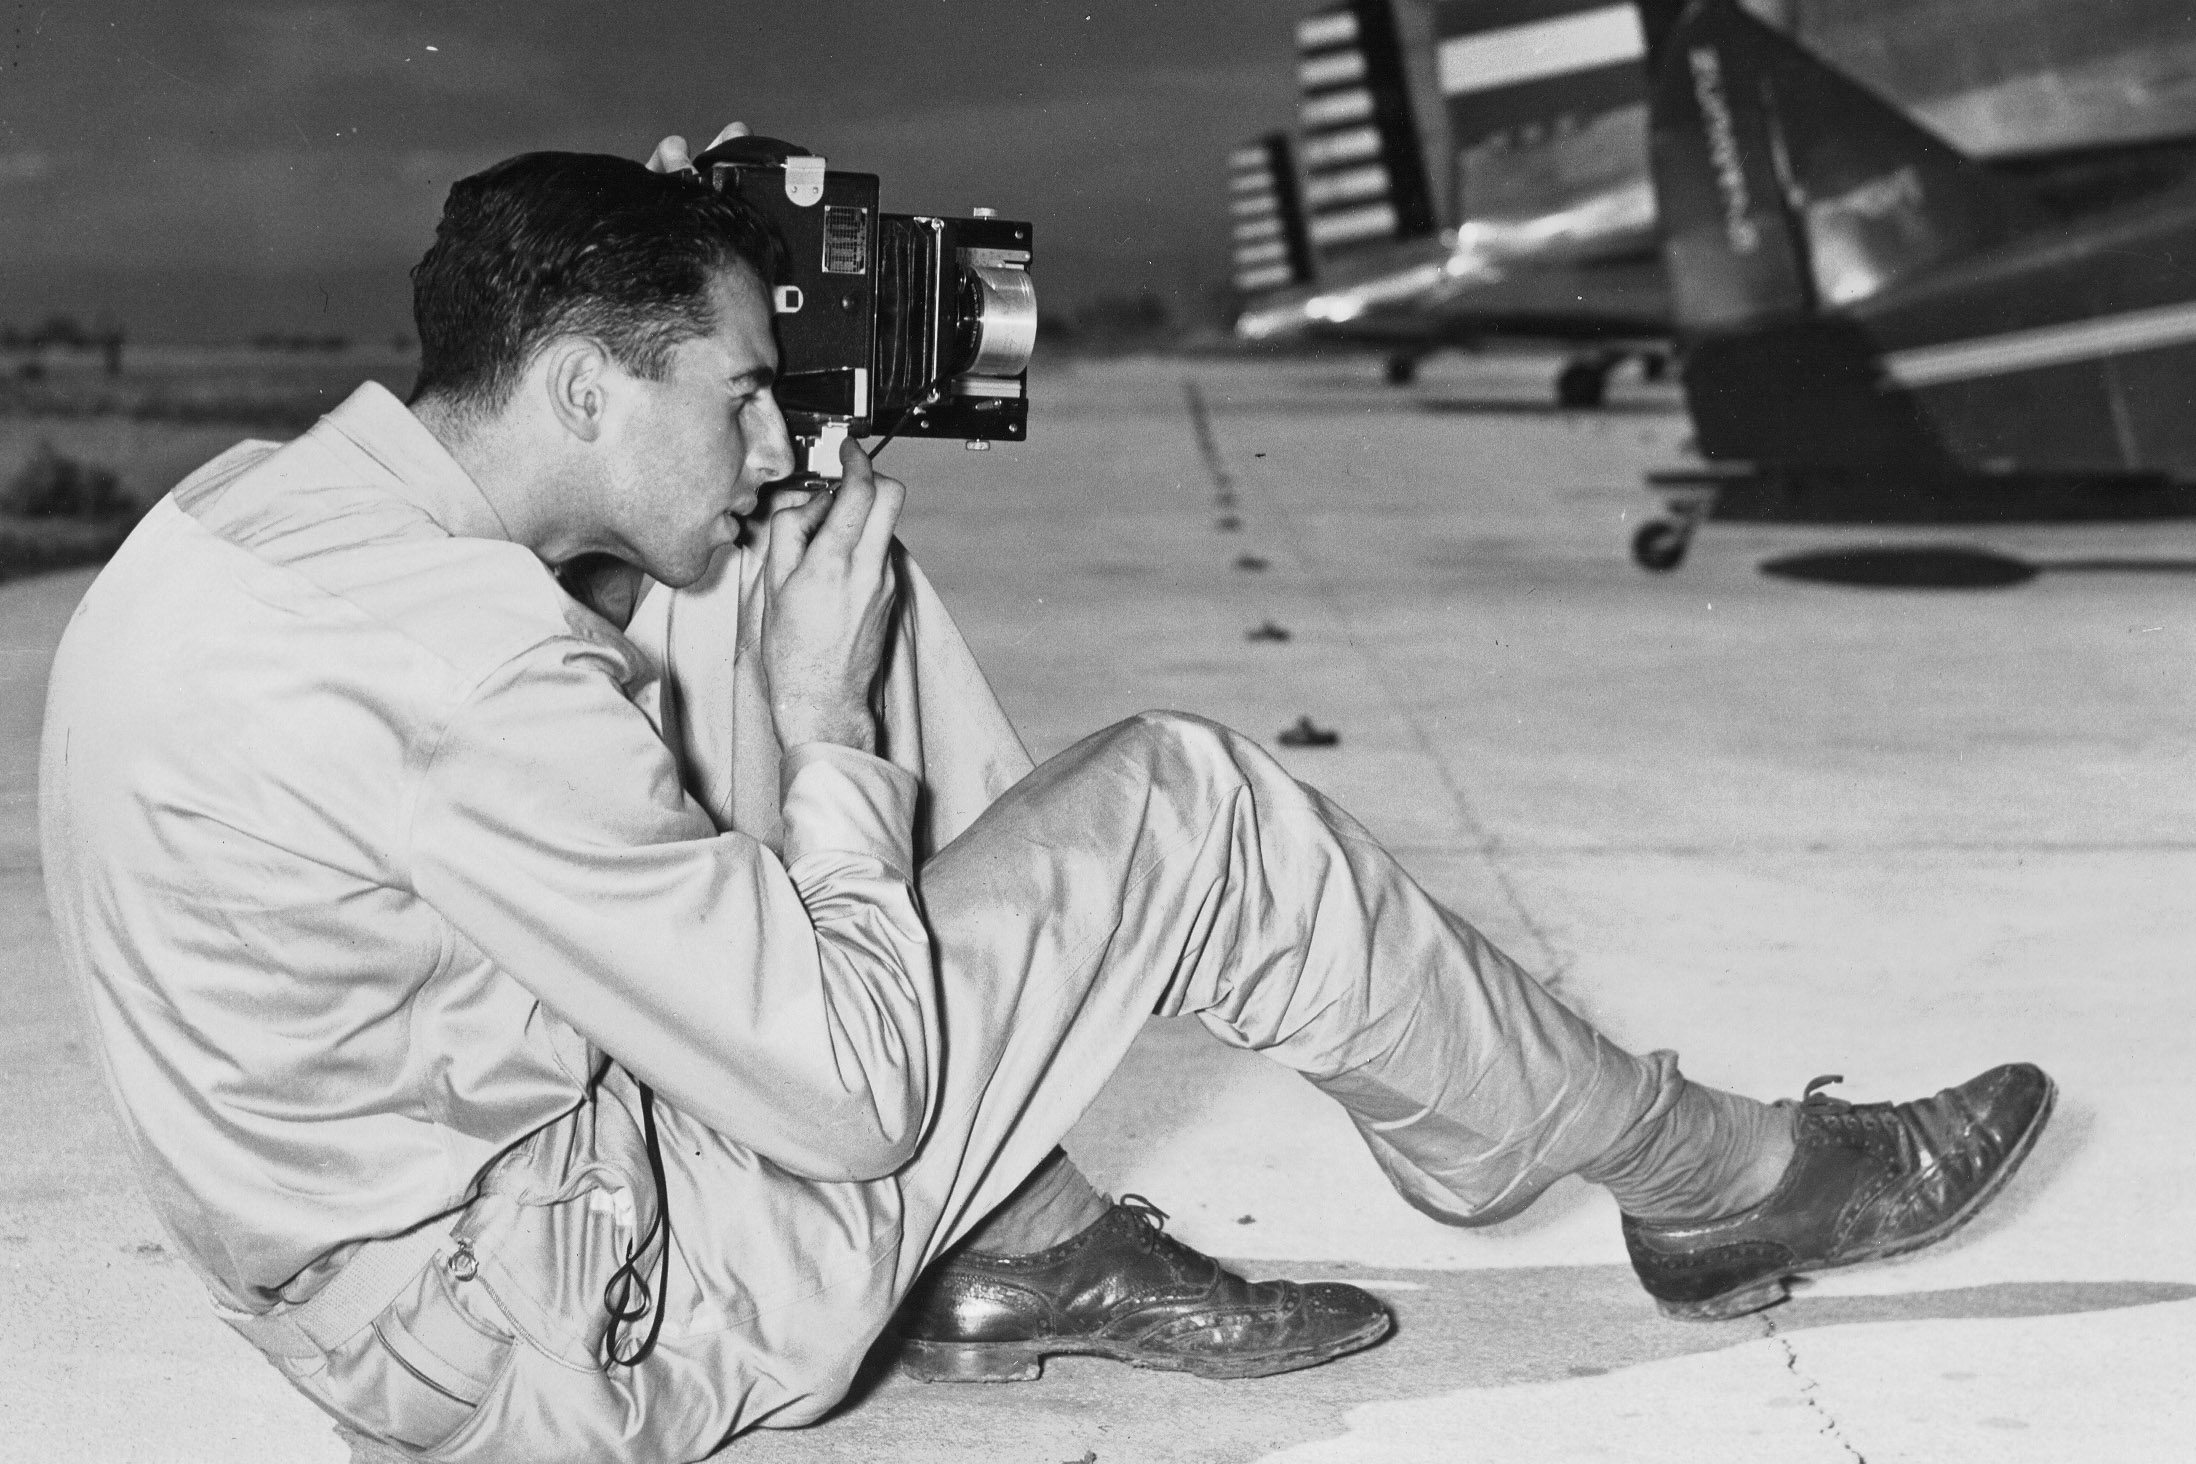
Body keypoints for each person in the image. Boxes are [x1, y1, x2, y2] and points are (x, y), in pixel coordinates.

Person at [38, 129, 2055, 1464]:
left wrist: (762, 568)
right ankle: (1717, 1178)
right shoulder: (465, 669)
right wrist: (828, 745)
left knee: (763, 583)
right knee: (1187, 804)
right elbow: (846, 1093)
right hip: (578, 1330)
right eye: (739, 389)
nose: (770, 431)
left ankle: (1024, 1239)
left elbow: (480, 763)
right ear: (579, 382)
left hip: (384, 1249)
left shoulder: (277, 518)